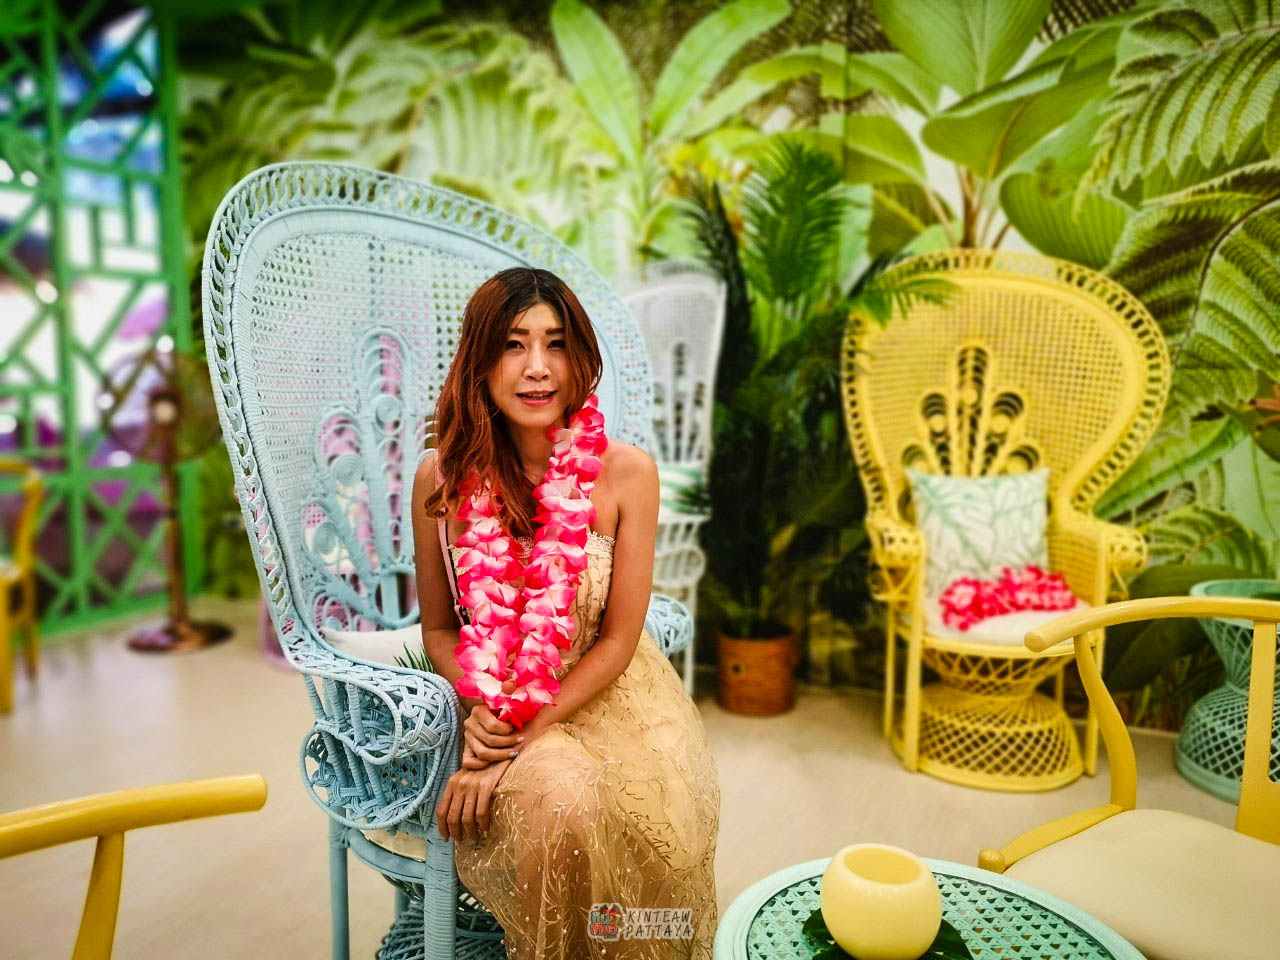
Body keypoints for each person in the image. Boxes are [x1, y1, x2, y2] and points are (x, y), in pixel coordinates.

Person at [411, 267, 720, 959]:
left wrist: (515, 735)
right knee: (563, 801)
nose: (538, 368)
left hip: (606, 695)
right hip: (492, 700)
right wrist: (486, 710)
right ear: (480, 360)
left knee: (649, 830)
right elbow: (439, 630)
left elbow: (619, 640)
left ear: (580, 358)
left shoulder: (627, 473)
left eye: (556, 343)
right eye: (513, 344)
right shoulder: (440, 479)